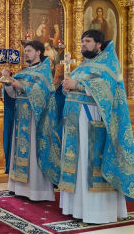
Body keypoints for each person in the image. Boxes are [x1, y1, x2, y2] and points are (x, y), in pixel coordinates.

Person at [60, 29, 134, 223]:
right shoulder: (85, 65)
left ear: (99, 44)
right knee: (78, 162)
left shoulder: (108, 64)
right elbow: (75, 83)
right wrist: (67, 85)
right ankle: (78, 208)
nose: (83, 44)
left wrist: (78, 85)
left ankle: (98, 211)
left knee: (89, 161)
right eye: (82, 41)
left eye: (88, 41)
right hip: (77, 120)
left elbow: (106, 87)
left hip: (94, 122)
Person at [2, 40, 61, 201]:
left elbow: (44, 93)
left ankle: (37, 191)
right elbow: (12, 95)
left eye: (29, 50)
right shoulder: (23, 72)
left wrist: (20, 86)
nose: (25, 53)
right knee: (19, 151)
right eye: (25, 51)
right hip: (21, 118)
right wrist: (7, 81)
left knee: (34, 152)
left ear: (38, 52)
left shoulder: (44, 72)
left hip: (36, 120)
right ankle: (18, 187)